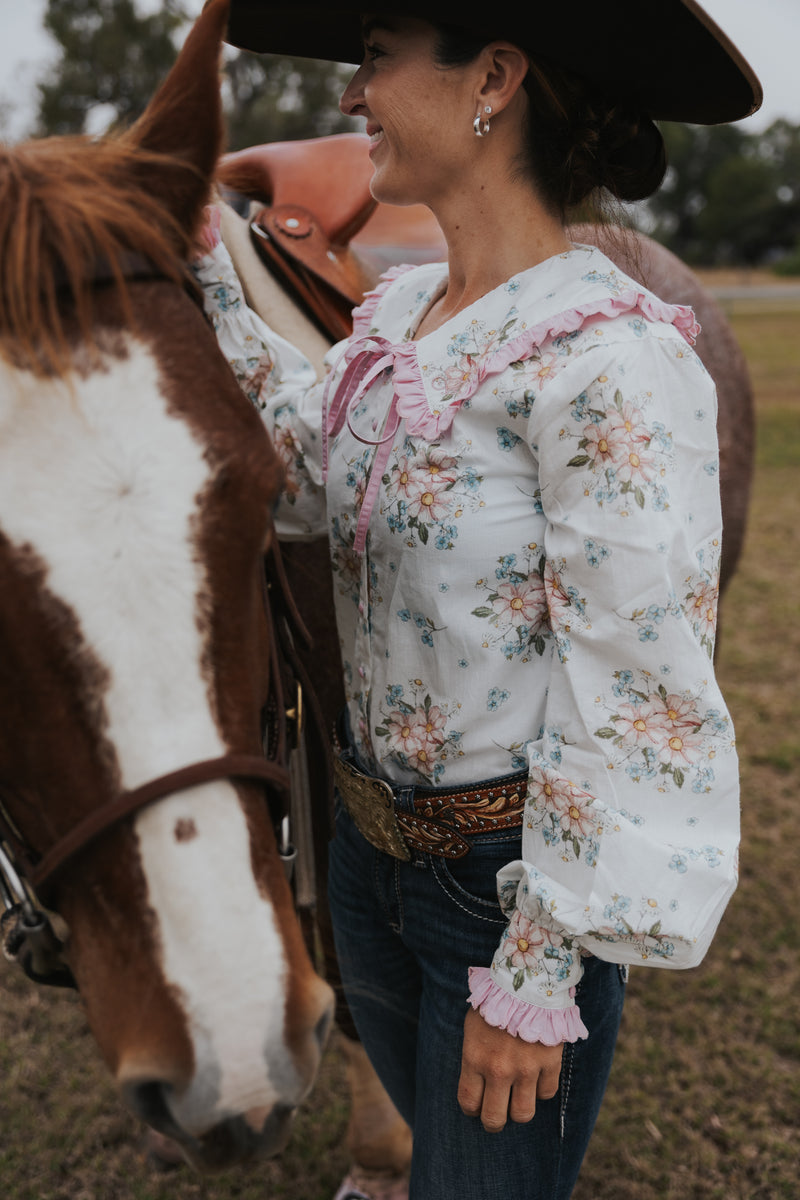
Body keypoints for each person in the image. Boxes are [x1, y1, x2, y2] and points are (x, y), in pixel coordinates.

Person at [193, 4, 761, 1197]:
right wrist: (202, 261)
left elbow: (639, 695)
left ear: (490, 78)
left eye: (373, 61)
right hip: (369, 867)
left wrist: (538, 970)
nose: (352, 100)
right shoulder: (405, 322)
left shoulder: (605, 361)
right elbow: (301, 477)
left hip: (498, 899)